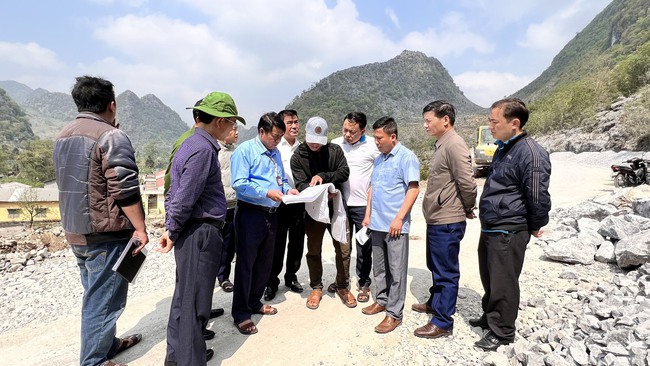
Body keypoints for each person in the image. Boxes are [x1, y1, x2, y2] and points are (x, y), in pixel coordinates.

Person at [53, 75, 148, 366]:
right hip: (105, 234)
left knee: (97, 294)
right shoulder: (110, 136)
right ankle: (94, 361)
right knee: (104, 301)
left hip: (76, 232)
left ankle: (108, 345)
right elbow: (124, 187)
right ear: (112, 105)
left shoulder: (63, 135)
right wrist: (141, 229)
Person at [158, 91, 245, 365]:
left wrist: (172, 227)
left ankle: (176, 358)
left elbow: (173, 190)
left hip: (192, 230)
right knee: (195, 305)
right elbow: (184, 197)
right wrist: (172, 229)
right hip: (200, 231)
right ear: (218, 121)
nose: (233, 127)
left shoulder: (190, 142)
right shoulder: (203, 149)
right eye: (231, 121)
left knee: (184, 300)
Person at [471, 98, 551, 351]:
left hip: (509, 228)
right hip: (492, 226)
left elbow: (538, 195)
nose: (491, 126)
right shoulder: (505, 148)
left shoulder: (531, 152)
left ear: (514, 123)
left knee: (504, 279)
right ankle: (491, 316)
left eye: (495, 122)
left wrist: (537, 223)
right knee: (490, 275)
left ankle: (502, 331)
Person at [412, 101, 477, 339]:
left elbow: (468, 183)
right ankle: (435, 303)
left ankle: (442, 321)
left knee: (446, 271)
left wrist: (468, 207)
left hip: (447, 218)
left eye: (429, 120)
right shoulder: (443, 144)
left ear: (445, 120)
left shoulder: (455, 144)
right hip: (437, 218)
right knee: (435, 265)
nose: (425, 125)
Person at [230, 112, 299, 335]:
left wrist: (289, 190)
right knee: (246, 264)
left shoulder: (275, 152)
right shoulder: (245, 151)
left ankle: (254, 302)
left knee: (264, 263)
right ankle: (241, 313)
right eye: (275, 136)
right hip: (251, 213)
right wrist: (266, 192)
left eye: (280, 137)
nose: (278, 141)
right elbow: (239, 184)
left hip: (272, 213)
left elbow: (280, 180)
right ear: (262, 131)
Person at [361, 116, 420, 334]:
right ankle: (382, 300)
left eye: (379, 138)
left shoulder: (407, 157)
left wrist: (399, 218)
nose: (376, 142)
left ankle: (394, 314)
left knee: (396, 270)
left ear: (392, 137)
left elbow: (413, 189)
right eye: (375, 138)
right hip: (377, 224)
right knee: (380, 268)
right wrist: (368, 214)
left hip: (395, 226)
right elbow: (373, 189)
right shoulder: (379, 159)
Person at [291, 116, 353, 310]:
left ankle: (343, 285)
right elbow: (301, 185)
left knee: (343, 248)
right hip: (314, 211)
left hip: (336, 208)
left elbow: (344, 172)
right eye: (311, 140)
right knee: (314, 250)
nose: (314, 145)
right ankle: (316, 286)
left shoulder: (335, 151)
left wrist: (324, 177)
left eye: (319, 142)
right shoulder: (298, 156)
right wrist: (321, 192)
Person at [332, 112, 380, 303]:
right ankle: (341, 280)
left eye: (352, 131)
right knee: (342, 245)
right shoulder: (336, 144)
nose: (347, 134)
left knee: (364, 246)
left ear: (363, 131)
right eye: (345, 130)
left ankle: (364, 282)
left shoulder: (372, 146)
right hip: (341, 204)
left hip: (363, 206)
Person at [264, 109, 306, 301]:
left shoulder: (303, 147)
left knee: (297, 243)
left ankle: (291, 277)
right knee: (277, 244)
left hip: (298, 202)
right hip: (278, 202)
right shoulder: (274, 146)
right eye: (289, 123)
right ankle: (271, 282)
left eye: (296, 122)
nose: (294, 126)